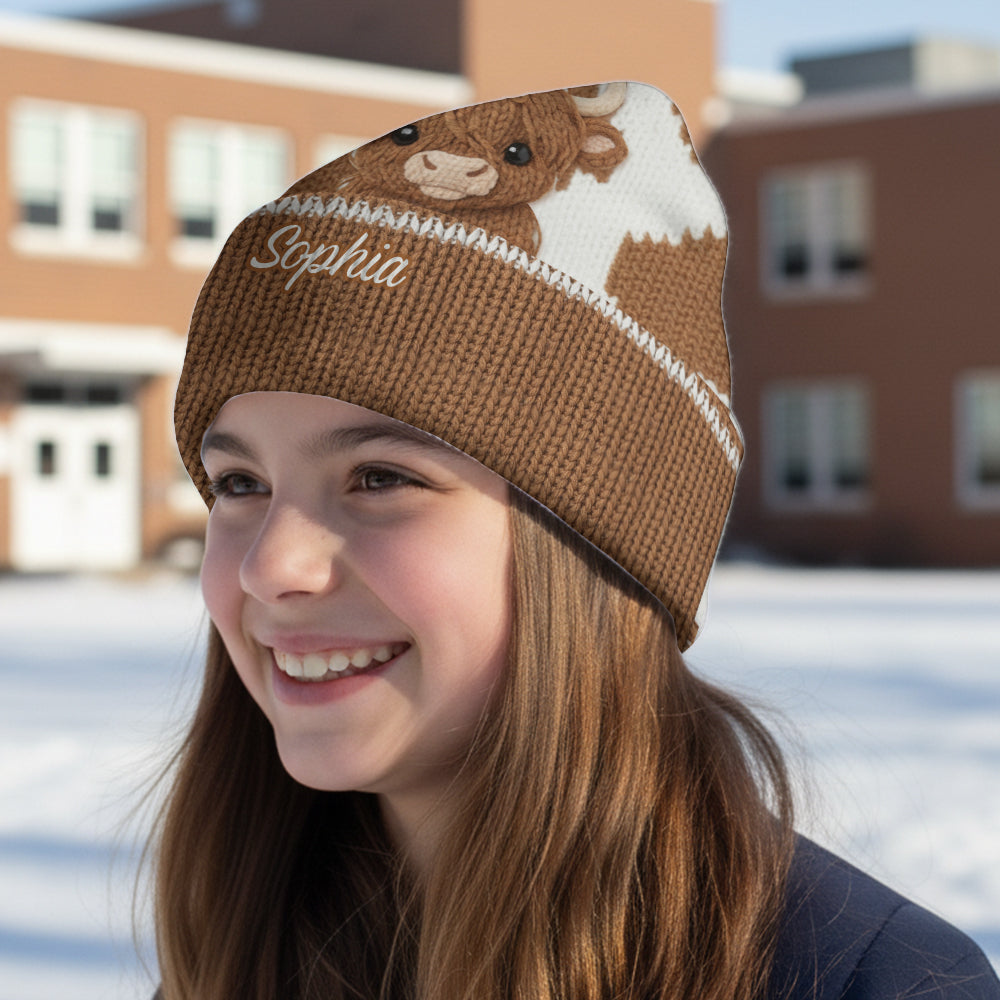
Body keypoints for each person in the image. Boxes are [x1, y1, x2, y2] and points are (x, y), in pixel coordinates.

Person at [157, 82, 999, 999]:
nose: (272, 565)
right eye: (239, 483)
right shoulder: (245, 948)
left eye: (382, 478)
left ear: (597, 544)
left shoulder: (876, 984)